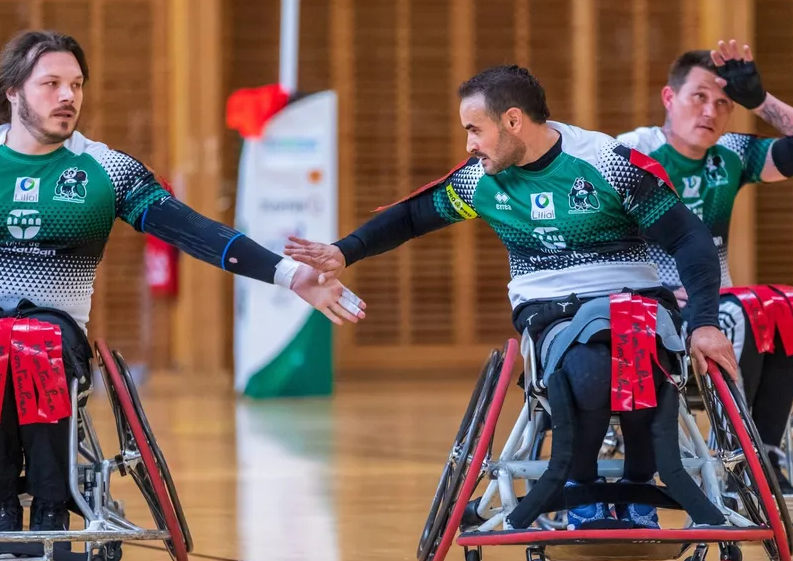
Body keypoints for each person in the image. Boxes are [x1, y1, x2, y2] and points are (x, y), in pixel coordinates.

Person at [0, 30, 365, 535]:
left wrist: (288, 274)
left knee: (37, 345)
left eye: (77, 85)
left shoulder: (108, 169)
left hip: (52, 326)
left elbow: (194, 231)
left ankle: (50, 504)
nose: (68, 97)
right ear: (13, 92)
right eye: (52, 84)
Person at [284, 64, 737, 530]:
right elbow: (413, 215)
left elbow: (691, 240)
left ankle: (638, 487)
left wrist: (703, 323)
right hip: (551, 310)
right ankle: (581, 488)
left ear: (513, 121)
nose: (469, 144)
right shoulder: (481, 179)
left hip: (634, 301)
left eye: (475, 130)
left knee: (639, 352)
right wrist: (345, 251)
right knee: (588, 373)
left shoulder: (607, 162)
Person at [616, 40, 793, 492]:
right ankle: (738, 455)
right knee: (738, 312)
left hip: (717, 305)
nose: (710, 111)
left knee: (790, 306)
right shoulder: (631, 153)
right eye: (699, 96)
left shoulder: (730, 154)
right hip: (647, 309)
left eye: (723, 102)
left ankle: (764, 455)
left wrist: (759, 100)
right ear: (669, 98)